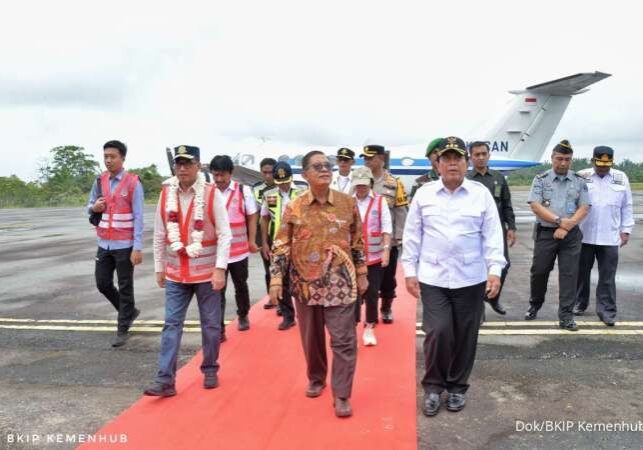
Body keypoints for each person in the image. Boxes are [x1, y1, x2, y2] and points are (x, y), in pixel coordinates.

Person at [402, 136, 505, 417]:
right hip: (434, 277)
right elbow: (412, 236)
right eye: (446, 159)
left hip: (471, 277)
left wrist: (495, 270)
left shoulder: (480, 194)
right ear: (438, 164)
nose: (452, 164)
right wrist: (409, 272)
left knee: (465, 335)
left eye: (457, 158)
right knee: (438, 331)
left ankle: (457, 387)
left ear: (466, 162)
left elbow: (493, 236)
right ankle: (434, 387)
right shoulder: (424, 194)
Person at [269, 151, 368, 418]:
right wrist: (276, 278)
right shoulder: (296, 206)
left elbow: (358, 241)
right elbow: (281, 244)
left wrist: (361, 272)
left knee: (344, 340)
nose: (325, 169)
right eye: (317, 166)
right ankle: (316, 377)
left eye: (327, 165)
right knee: (311, 340)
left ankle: (342, 393)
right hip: (305, 285)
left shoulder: (348, 204)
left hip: (341, 283)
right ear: (305, 175)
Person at [144, 145, 231, 397]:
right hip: (175, 274)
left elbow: (225, 235)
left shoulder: (211, 194)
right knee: (171, 325)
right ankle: (165, 380)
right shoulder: (165, 193)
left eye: (187, 163)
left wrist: (220, 269)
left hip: (205, 274)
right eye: (178, 163)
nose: (181, 168)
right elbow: (160, 233)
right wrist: (159, 267)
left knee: (211, 325)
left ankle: (210, 367)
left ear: (198, 166)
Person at [525, 140, 591, 331]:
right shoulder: (541, 179)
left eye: (567, 159)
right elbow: (535, 206)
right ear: (552, 158)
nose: (563, 163)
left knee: (569, 275)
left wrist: (567, 226)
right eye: (560, 159)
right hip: (546, 233)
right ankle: (535, 304)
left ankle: (566, 316)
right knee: (539, 272)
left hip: (570, 236)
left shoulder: (578, 180)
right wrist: (559, 222)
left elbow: (584, 207)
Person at [87, 140, 144, 348]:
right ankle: (129, 311)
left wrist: (137, 247)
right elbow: (89, 206)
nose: (108, 160)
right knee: (102, 283)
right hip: (104, 243)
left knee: (125, 286)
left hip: (125, 245)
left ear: (122, 158)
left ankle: (122, 328)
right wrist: (95, 207)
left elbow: (139, 216)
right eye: (106, 157)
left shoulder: (133, 183)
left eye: (112, 156)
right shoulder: (99, 181)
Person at [574, 146, 634, 326]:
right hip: (584, 235)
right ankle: (579, 304)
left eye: (606, 165)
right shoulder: (581, 176)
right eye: (599, 164)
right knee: (580, 274)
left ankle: (607, 311)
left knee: (607, 277)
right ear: (592, 161)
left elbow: (627, 206)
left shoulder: (620, 177)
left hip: (610, 236)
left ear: (611, 163)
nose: (603, 168)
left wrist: (626, 230)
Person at [210, 155, 259, 341]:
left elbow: (252, 216)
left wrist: (252, 240)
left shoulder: (242, 190)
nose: (219, 180)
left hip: (239, 252)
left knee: (241, 286)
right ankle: (219, 328)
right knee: (217, 290)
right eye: (215, 175)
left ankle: (243, 314)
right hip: (217, 253)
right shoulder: (209, 191)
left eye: (222, 175)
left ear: (231, 173)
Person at [466, 141, 517, 318]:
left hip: (497, 230)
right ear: (470, 157)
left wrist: (512, 227)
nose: (480, 157)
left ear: (489, 155)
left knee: (504, 264)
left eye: (483, 154)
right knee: (478, 267)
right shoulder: (467, 180)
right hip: (474, 230)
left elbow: (507, 204)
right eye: (476, 154)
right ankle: (478, 307)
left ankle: (493, 298)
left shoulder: (498, 177)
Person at [362, 144, 409, 324]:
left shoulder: (394, 183)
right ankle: (369, 311)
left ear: (381, 159)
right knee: (366, 279)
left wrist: (398, 238)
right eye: (365, 158)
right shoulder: (359, 180)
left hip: (387, 242)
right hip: (365, 241)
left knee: (388, 279)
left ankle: (386, 307)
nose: (366, 161)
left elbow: (400, 211)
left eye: (370, 158)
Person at [260, 162, 307, 330]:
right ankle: (288, 316)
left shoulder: (303, 192)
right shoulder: (269, 194)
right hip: (278, 244)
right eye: (279, 182)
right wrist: (264, 242)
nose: (283, 185)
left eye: (286, 181)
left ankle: (306, 315)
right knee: (281, 279)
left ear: (291, 177)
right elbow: (264, 218)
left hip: (300, 243)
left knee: (302, 279)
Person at [351, 166, 392, 346]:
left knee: (372, 292)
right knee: (353, 293)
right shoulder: (347, 201)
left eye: (364, 184)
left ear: (371, 183)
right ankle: (351, 326)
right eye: (358, 185)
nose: (361, 188)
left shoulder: (380, 201)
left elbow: (386, 227)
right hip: (352, 256)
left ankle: (369, 326)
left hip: (374, 256)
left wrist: (386, 250)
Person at [252, 157, 278, 307]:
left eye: (271, 172)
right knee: (268, 268)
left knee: (282, 269)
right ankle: (271, 297)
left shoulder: (283, 188)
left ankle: (285, 300)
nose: (268, 176)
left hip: (279, 232)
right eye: (265, 172)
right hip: (263, 234)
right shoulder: (255, 189)